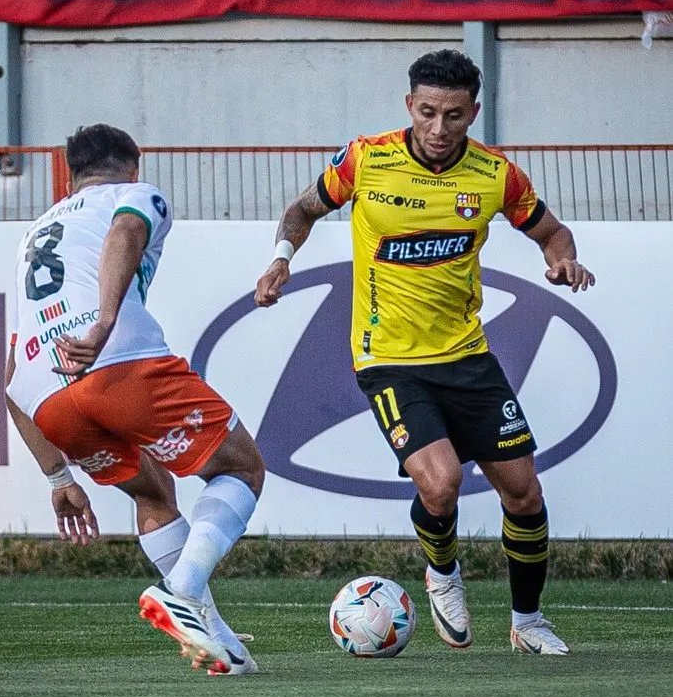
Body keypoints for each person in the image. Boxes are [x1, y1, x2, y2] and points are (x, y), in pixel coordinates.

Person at [255, 48, 595, 656]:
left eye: (455, 116)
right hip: (386, 357)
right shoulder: (367, 159)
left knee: (524, 493)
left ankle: (528, 622)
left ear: (474, 113)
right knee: (439, 486)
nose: (440, 130)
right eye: (429, 113)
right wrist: (281, 258)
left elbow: (550, 230)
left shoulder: (496, 175)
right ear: (410, 106)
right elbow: (302, 210)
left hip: (467, 354)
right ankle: (443, 573)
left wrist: (561, 258)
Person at [6, 123, 265, 675]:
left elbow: (7, 380)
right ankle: (181, 587)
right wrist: (102, 325)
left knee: (152, 493)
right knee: (241, 468)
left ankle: (214, 638)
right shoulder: (135, 195)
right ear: (134, 165)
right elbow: (126, 232)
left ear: (70, 176)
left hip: (47, 397)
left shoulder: (34, 233)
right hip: (113, 363)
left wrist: (58, 477)